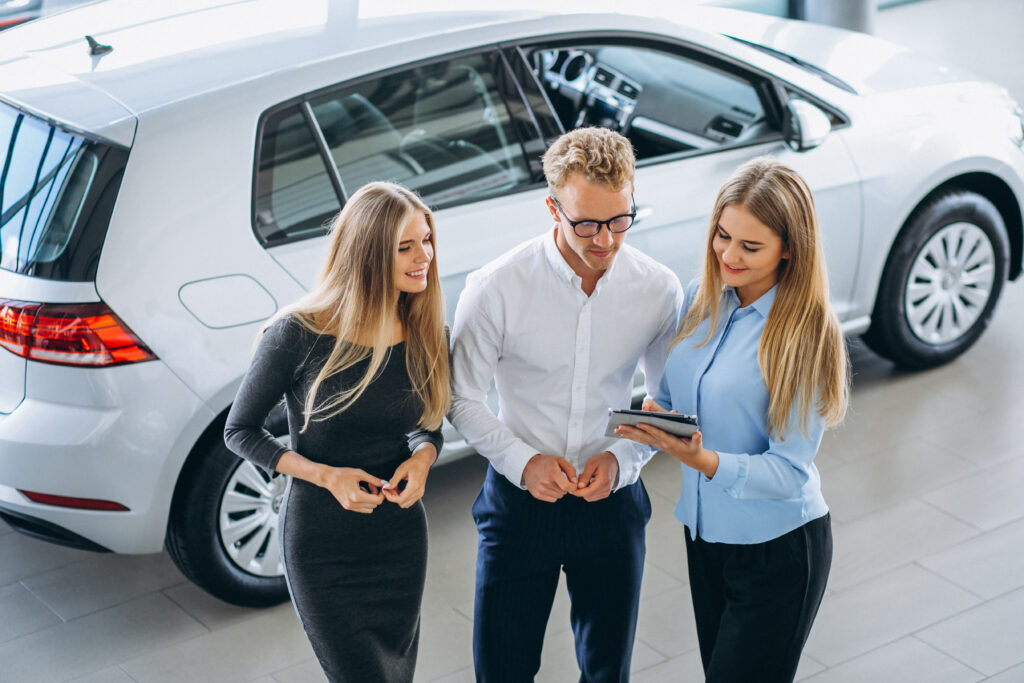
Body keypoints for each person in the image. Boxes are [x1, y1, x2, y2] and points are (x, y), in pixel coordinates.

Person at [449, 126, 684, 682]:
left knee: (608, 673)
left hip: (613, 505)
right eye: (585, 223)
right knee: (502, 671)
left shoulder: (658, 289)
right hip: (517, 508)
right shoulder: (495, 288)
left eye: (620, 220)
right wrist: (523, 462)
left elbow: (664, 397)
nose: (604, 239)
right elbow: (461, 398)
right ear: (551, 207)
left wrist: (625, 460)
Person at [614, 157, 849, 683]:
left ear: (790, 247)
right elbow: (672, 397)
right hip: (705, 540)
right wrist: (651, 425)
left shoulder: (804, 336)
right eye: (723, 235)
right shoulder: (702, 299)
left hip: (778, 551)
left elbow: (789, 471)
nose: (728, 254)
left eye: (750, 246)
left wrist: (703, 459)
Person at [223, 181, 451, 683]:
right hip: (323, 543)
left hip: (399, 536)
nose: (425, 257)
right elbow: (240, 431)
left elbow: (427, 423)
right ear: (369, 254)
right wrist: (326, 476)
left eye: (427, 240)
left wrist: (422, 459)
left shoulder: (426, 331)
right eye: (406, 246)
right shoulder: (297, 334)